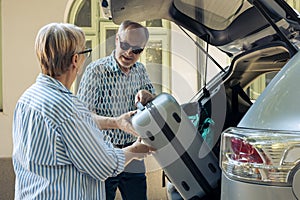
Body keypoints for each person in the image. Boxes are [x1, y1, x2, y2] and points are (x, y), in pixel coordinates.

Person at [12, 22, 153, 200]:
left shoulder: (27, 98)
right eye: (84, 53)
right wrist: (135, 150)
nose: (129, 53)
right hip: (108, 155)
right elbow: (104, 166)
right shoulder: (66, 108)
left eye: (136, 50)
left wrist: (119, 121)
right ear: (75, 60)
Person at [77, 20, 155, 200]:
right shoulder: (96, 71)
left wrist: (148, 95)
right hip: (103, 152)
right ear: (117, 40)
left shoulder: (140, 70)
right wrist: (116, 123)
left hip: (134, 153)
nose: (129, 53)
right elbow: (82, 117)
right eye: (125, 45)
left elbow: (153, 101)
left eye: (136, 50)